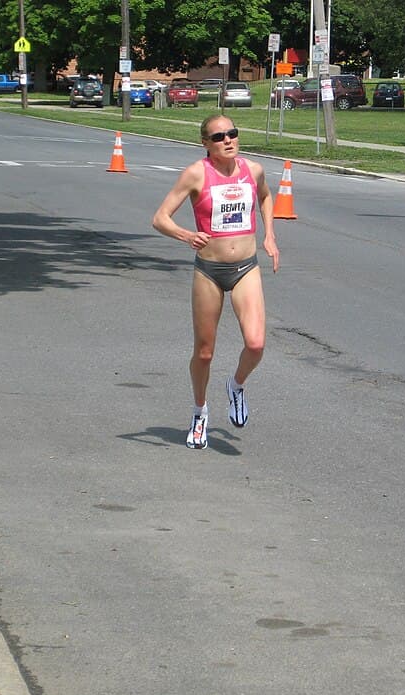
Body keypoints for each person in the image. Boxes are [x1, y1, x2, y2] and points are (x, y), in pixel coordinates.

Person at [152, 115, 280, 450]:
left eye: (232, 133)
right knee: (205, 353)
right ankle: (199, 413)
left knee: (255, 344)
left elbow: (266, 197)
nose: (228, 140)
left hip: (245, 268)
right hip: (209, 270)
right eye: (219, 136)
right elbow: (160, 218)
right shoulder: (197, 173)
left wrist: (270, 237)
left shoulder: (253, 170)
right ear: (206, 143)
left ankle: (236, 386)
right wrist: (186, 234)